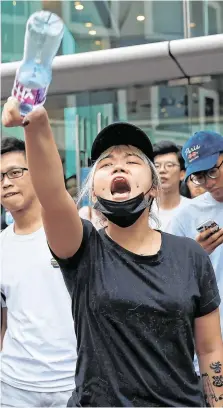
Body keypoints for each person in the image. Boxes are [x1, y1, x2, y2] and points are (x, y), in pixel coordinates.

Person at [2, 99, 223, 408]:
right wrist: (35, 124)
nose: (118, 164)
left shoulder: (190, 255)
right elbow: (51, 193)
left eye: (132, 160)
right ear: (94, 191)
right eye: (105, 164)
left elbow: (211, 350)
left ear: (154, 188)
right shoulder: (83, 250)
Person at [0, 136, 77, 407]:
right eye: (0, 177)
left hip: (72, 382)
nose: (6, 182)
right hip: (13, 386)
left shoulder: (72, 232)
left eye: (14, 172)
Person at [167, 130, 223, 372]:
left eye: (213, 171)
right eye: (199, 177)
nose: (209, 183)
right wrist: (194, 254)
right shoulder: (186, 215)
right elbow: (166, 278)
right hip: (211, 339)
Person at [151, 141, 189, 231]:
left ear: (182, 174)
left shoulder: (193, 209)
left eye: (169, 165)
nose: (162, 170)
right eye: (156, 166)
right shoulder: (143, 211)